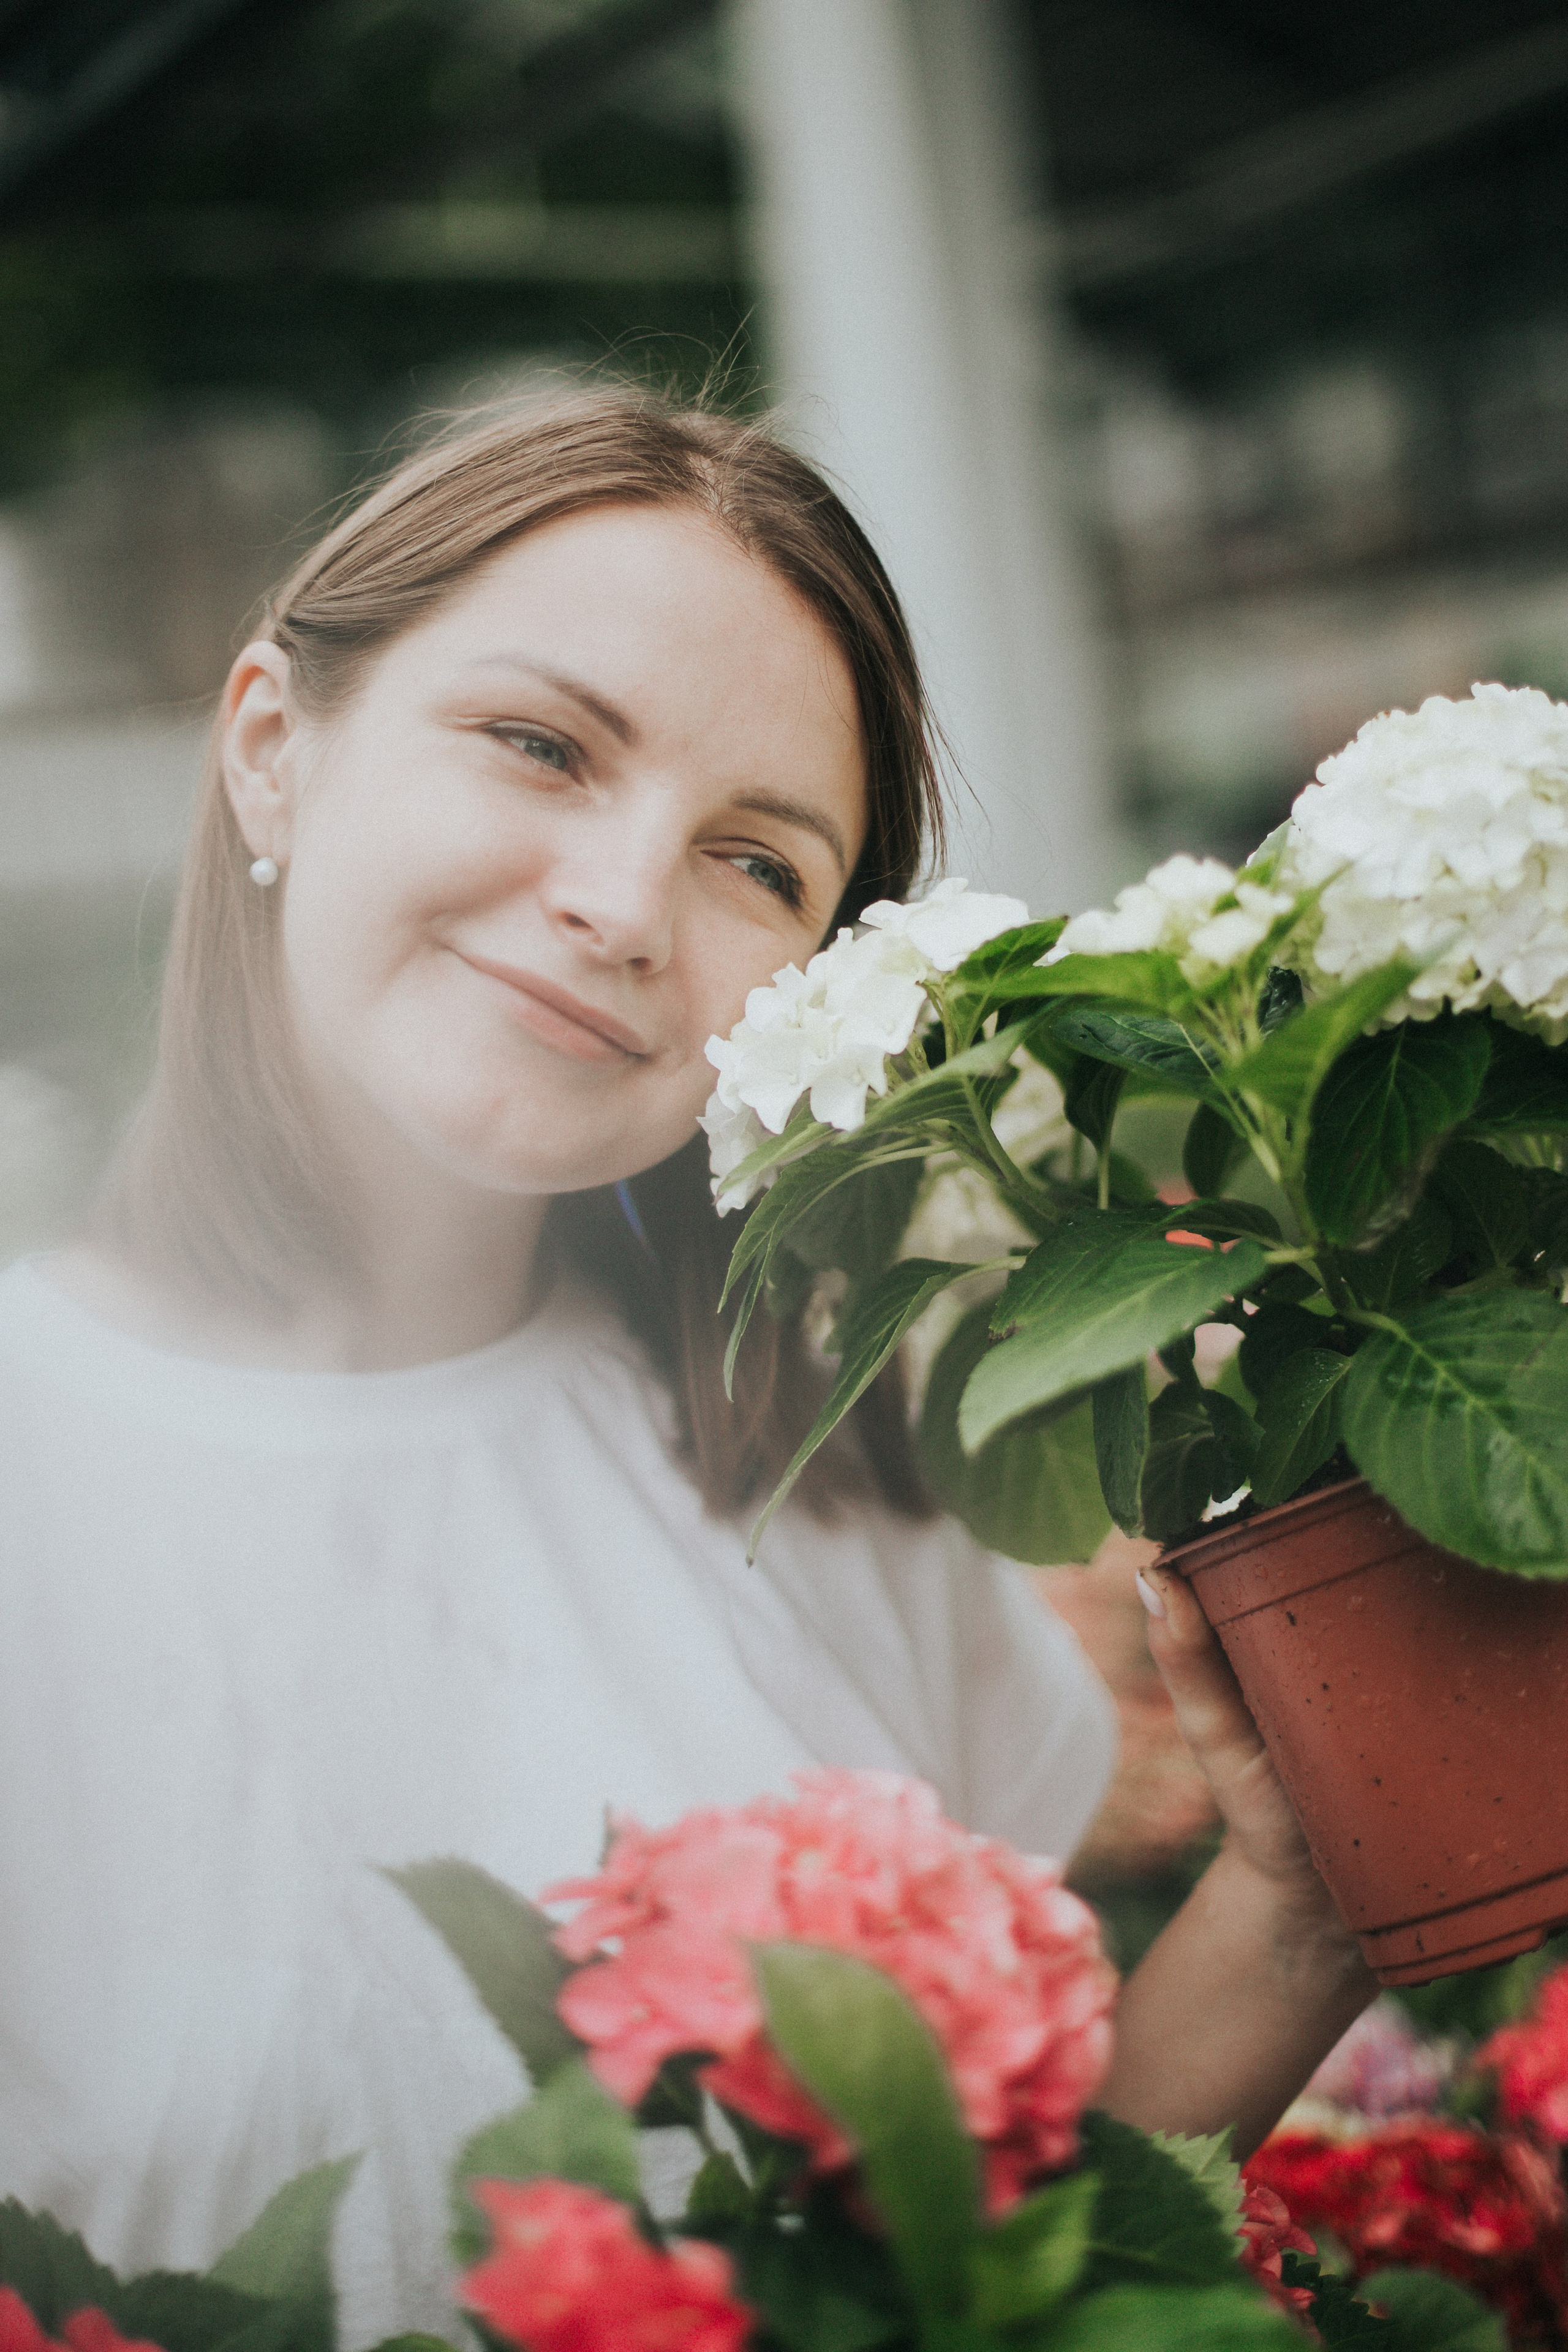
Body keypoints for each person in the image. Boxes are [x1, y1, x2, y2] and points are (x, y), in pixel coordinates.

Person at [0, 390, 1375, 2346]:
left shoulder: (834, 1483)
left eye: (759, 862)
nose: (626, 906)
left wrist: (1301, 1902)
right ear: (272, 751)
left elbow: (980, 2267)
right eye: (541, 745)